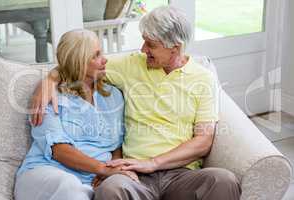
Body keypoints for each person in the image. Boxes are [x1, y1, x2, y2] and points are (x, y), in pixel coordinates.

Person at [30, 6, 241, 200]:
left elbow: (203, 140)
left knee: (223, 180)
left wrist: (154, 163)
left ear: (174, 49)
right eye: (143, 41)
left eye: (151, 45)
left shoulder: (203, 79)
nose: (143, 49)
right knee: (111, 189)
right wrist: (50, 80)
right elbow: (80, 63)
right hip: (134, 175)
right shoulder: (131, 65)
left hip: (180, 174)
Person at [14, 29, 139, 200]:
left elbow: (116, 146)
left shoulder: (113, 95)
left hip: (91, 178)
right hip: (47, 172)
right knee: (71, 188)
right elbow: (59, 150)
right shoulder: (50, 96)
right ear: (78, 62)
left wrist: (112, 171)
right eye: (96, 55)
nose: (105, 59)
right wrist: (103, 168)